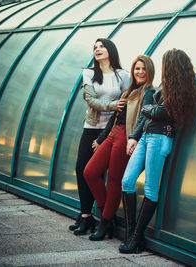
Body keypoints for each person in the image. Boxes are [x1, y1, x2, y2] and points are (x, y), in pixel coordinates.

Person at [119, 48, 196, 254]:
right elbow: (150, 114)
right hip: (146, 137)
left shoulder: (181, 90)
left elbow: (155, 112)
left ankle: (136, 237)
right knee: (127, 181)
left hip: (160, 139)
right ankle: (132, 233)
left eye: (164, 63)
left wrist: (147, 102)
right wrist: (135, 136)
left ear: (171, 66)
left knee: (150, 189)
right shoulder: (165, 86)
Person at [83, 55, 156, 241]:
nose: (139, 72)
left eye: (143, 69)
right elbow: (114, 119)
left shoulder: (148, 92)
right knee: (90, 172)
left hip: (125, 137)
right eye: (137, 68)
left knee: (115, 181)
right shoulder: (128, 92)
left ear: (150, 72)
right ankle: (108, 217)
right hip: (113, 134)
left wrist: (133, 138)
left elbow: (143, 118)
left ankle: (104, 222)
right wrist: (101, 138)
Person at [69, 38, 130, 236]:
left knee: (103, 174)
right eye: (95, 47)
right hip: (92, 126)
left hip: (112, 129)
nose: (97, 49)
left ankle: (104, 217)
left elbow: (126, 104)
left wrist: (116, 111)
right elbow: (92, 101)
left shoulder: (123, 76)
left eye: (101, 46)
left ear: (111, 49)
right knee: (82, 168)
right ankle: (86, 216)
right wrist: (113, 105)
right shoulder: (88, 73)